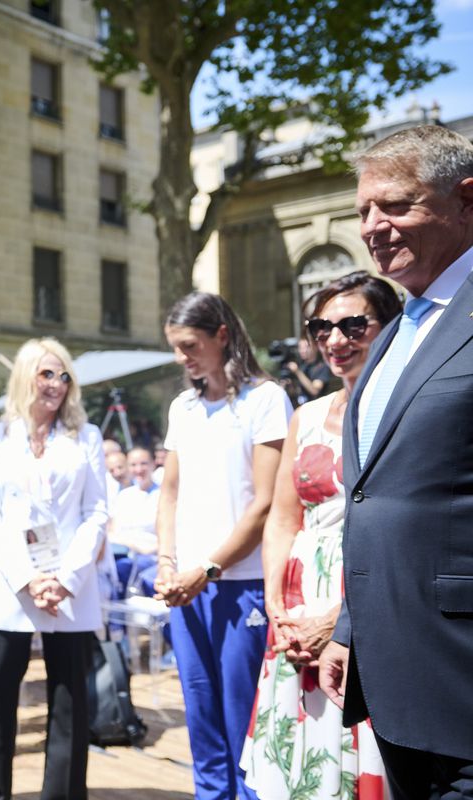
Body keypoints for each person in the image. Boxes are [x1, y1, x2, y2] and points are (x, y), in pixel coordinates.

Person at [317, 125, 473, 797]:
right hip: (393, 669)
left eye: (397, 205)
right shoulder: (398, 330)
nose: (373, 227)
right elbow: (372, 493)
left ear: (467, 201)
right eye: (362, 213)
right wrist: (351, 629)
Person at [241, 272, 401, 797]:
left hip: (372, 602)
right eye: (321, 327)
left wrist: (342, 621)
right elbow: (283, 518)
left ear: (391, 326)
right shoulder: (305, 415)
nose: (335, 340)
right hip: (296, 607)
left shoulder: (409, 414)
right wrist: (276, 610)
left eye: (354, 325)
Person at [155, 292, 291, 800]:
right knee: (202, 722)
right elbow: (168, 493)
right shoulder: (183, 407)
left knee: (244, 726)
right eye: (175, 348)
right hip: (187, 588)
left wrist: (207, 568)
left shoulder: (265, 399)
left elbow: (265, 504)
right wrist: (168, 562)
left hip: (243, 585)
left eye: (190, 345)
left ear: (222, 336)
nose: (182, 357)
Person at [0, 337, 107, 800]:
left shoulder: (86, 436)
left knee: (70, 705)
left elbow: (96, 513)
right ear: (25, 376)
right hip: (12, 586)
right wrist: (28, 577)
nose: (56, 384)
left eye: (64, 376)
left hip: (70, 588)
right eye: (47, 373)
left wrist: (65, 579)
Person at [109, 446, 161, 595]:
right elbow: (112, 532)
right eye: (133, 465)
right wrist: (134, 545)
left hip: (151, 559)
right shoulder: (124, 496)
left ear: (153, 464)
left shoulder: (162, 496)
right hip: (122, 555)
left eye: (143, 464)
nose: (138, 469)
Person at [284, 337, 331, 406]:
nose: (302, 351)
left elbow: (315, 390)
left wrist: (297, 371)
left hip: (317, 408)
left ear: (315, 347)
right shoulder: (301, 366)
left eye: (306, 347)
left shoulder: (322, 367)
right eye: (300, 347)